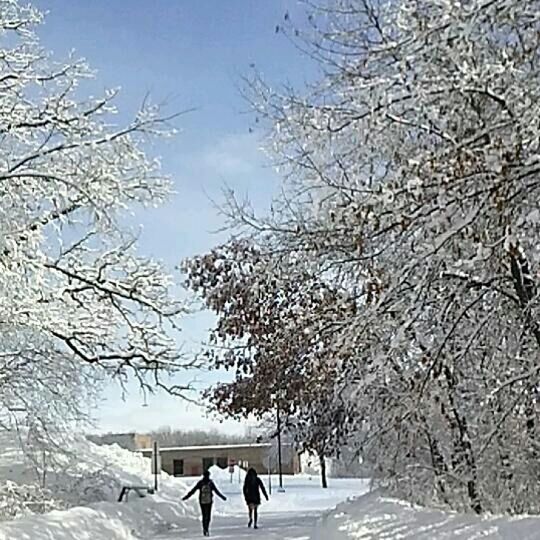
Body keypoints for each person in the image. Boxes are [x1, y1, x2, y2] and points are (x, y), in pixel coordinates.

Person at [182, 470, 227, 536]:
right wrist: (223, 497)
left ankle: (205, 529)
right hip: (209, 501)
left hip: (202, 501)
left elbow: (193, 491)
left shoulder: (200, 483)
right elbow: (216, 491)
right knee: (208, 516)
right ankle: (207, 528)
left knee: (204, 515)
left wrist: (186, 497)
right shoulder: (210, 483)